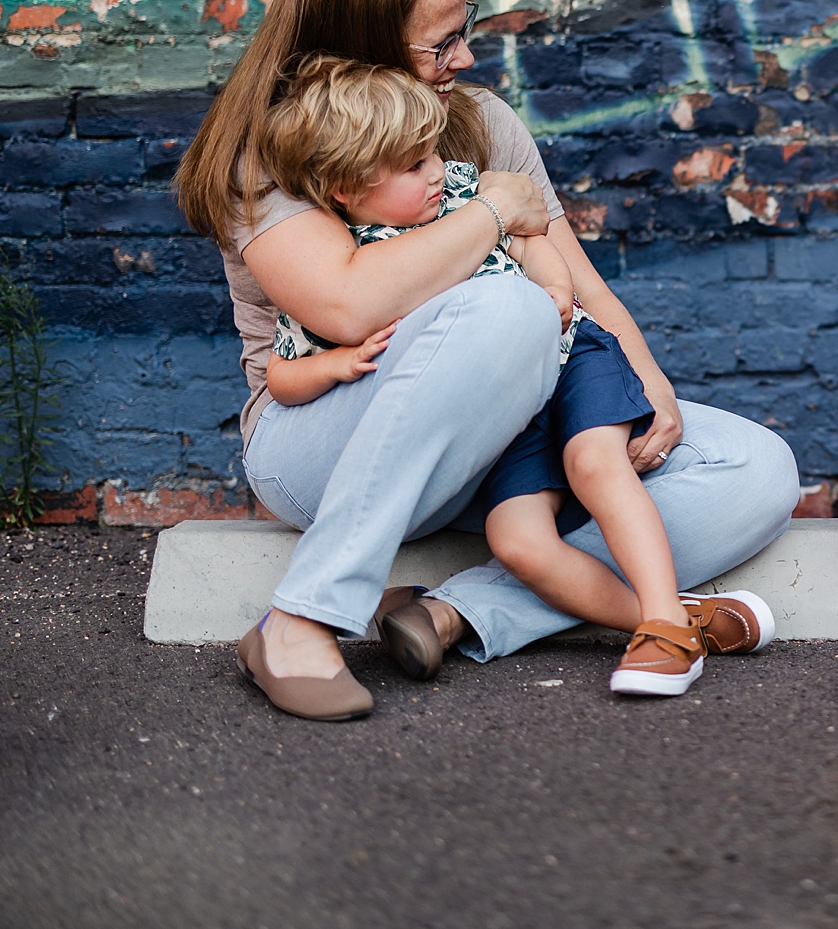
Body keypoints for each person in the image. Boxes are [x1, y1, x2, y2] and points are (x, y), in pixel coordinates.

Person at [174, 0, 798, 722]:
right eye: (441, 44)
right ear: (361, 46)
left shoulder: (480, 123)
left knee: (754, 469)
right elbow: (346, 300)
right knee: (509, 305)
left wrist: (649, 383)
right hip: (320, 434)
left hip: (505, 437)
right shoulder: (276, 148)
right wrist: (493, 211)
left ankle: (454, 611)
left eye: (462, 32)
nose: (464, 58)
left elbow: (579, 287)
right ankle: (300, 618)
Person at [258, 57, 757, 697]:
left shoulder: (463, 191)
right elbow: (283, 373)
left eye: (434, 152)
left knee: (601, 466)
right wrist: (332, 364)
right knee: (520, 540)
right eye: (414, 166)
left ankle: (661, 620)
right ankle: (673, 623)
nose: (437, 170)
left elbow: (534, 242)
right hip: (497, 423)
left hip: (572, 360)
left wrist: (554, 289)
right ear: (344, 189)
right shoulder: (343, 246)